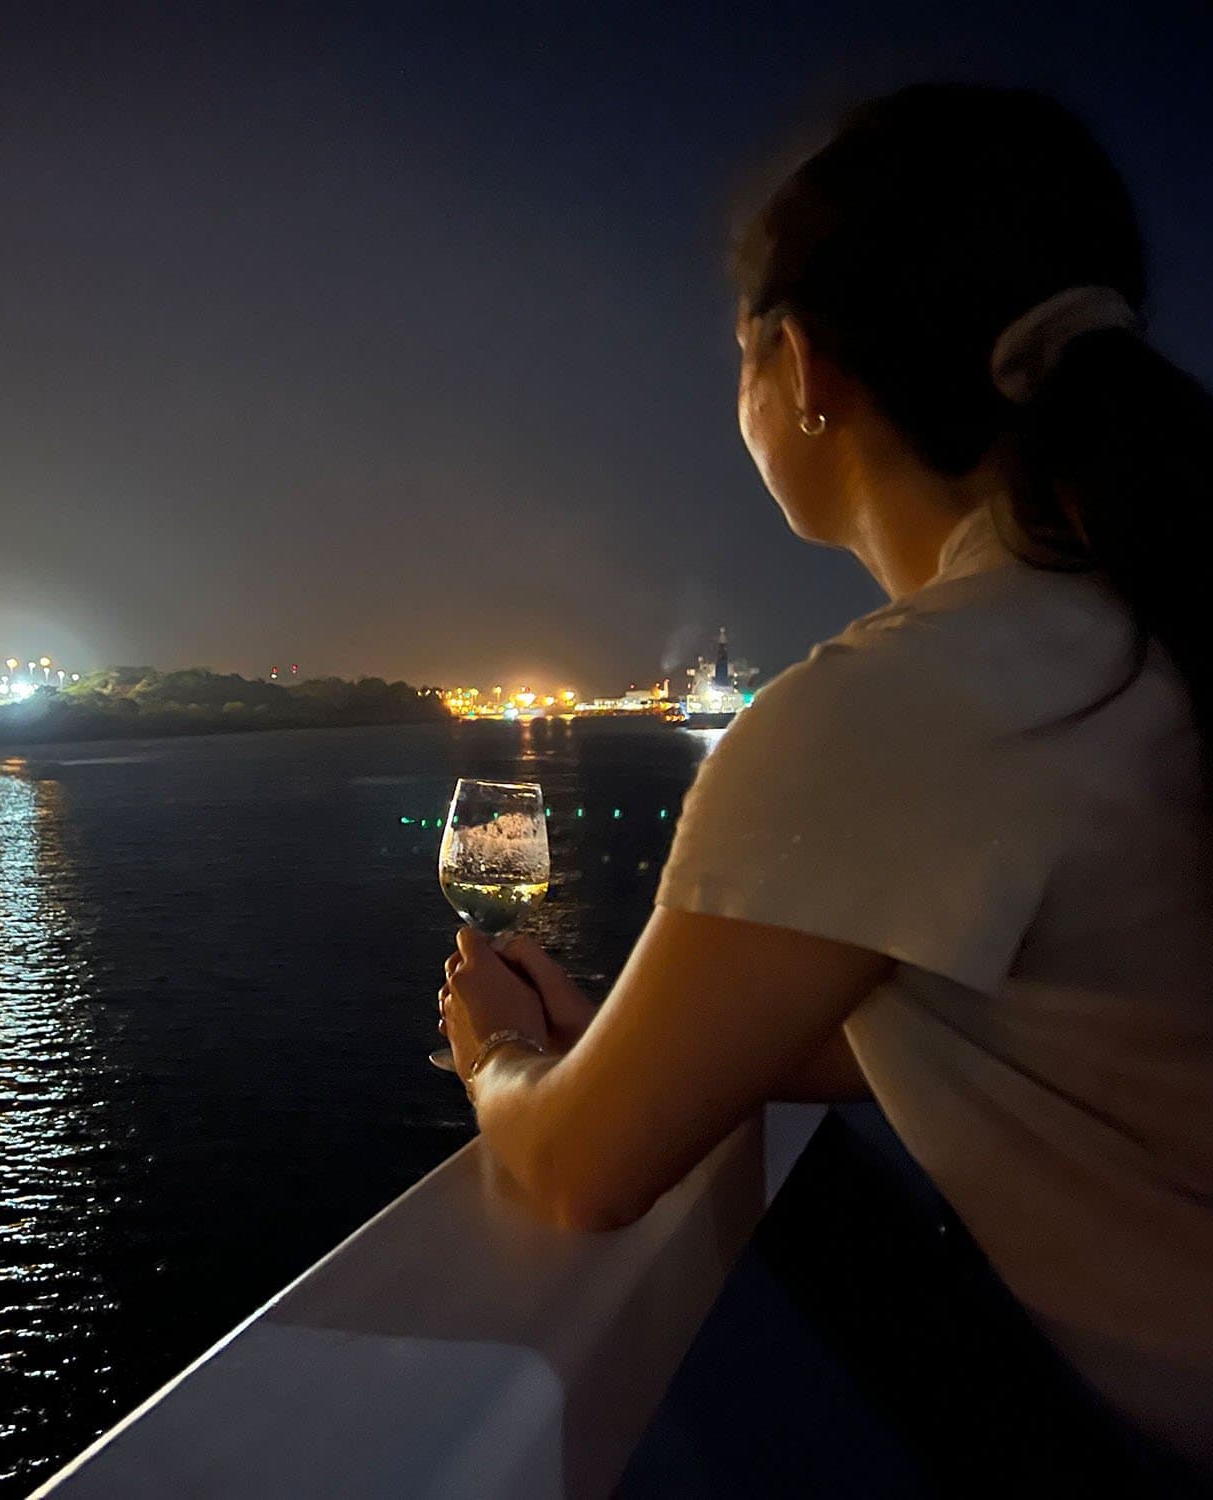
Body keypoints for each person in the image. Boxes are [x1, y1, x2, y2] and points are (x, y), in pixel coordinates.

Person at [436, 83, 1213, 1482]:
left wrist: (499, 1055)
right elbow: (1051, 1031)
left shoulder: (890, 706)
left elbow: (578, 1174)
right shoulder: (1146, 627)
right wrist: (650, 1032)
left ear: (800, 368)